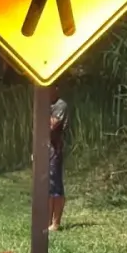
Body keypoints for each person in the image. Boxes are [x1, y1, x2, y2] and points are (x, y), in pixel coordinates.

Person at [49, 85, 70, 231]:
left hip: (54, 150)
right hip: (43, 149)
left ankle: (56, 223)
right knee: (46, 187)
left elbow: (52, 125)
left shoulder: (60, 105)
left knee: (56, 185)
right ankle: (47, 221)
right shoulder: (45, 105)